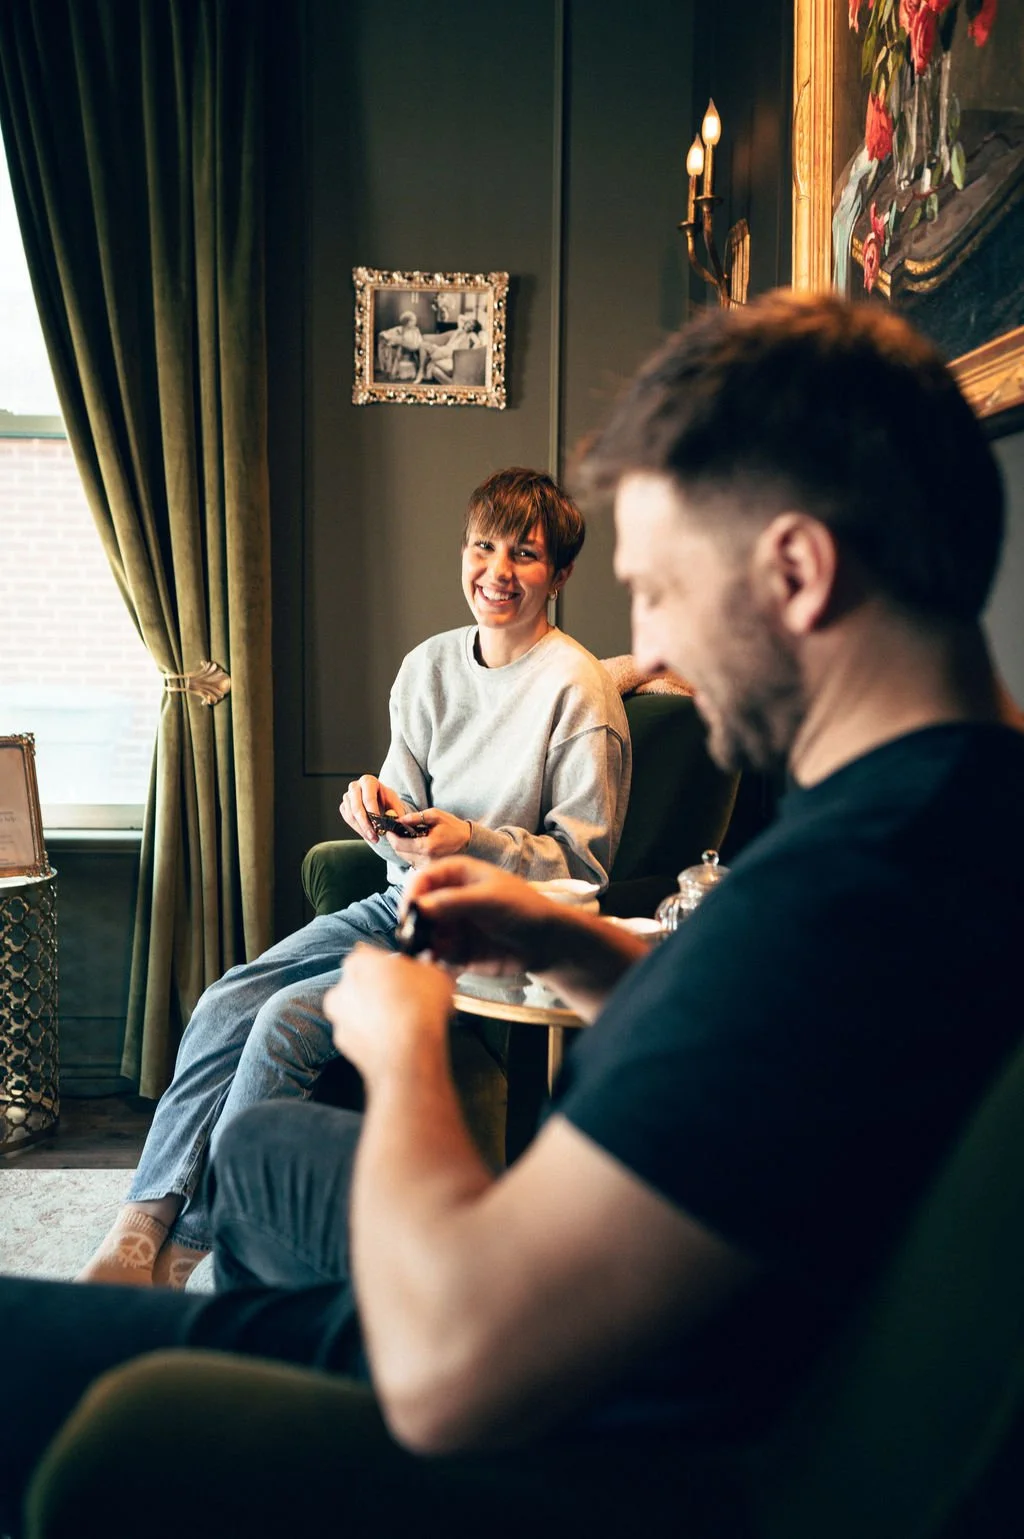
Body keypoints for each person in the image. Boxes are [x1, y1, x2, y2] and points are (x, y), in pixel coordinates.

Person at [2, 292, 1023, 1534]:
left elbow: (452, 1362)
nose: (646, 649)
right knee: (266, 1154)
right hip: (635, 1344)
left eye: (659, 591)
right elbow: (778, 1062)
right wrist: (573, 945)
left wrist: (403, 1036)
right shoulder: (946, 819)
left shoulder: (848, 892)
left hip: (553, 1426)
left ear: (797, 572)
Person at [77, 466, 630, 1291]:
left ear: (560, 574)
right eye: (483, 547)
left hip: (486, 934)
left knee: (286, 1020)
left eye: (525, 553)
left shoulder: (579, 692)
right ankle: (136, 1234)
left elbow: (581, 865)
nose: (497, 571)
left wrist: (469, 841)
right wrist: (375, 808)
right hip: (397, 899)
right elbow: (399, 798)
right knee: (231, 993)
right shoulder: (430, 666)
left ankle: (197, 1247)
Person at [415, 313, 484, 383]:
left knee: (429, 355)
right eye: (469, 323)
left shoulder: (471, 334)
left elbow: (478, 342)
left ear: (473, 329)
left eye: (472, 326)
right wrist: (469, 321)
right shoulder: (459, 330)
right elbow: (460, 317)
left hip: (451, 352)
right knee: (423, 345)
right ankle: (422, 371)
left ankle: (421, 373)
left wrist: (470, 351)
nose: (469, 326)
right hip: (445, 349)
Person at [376, 308, 423, 380]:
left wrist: (402, 341)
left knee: (400, 346)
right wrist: (387, 337)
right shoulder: (400, 329)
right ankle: (391, 371)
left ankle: (395, 372)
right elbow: (386, 334)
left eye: (414, 320)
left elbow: (417, 343)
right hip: (400, 349)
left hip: (411, 349)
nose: (415, 322)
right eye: (413, 320)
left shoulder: (415, 330)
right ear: (407, 322)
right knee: (392, 346)